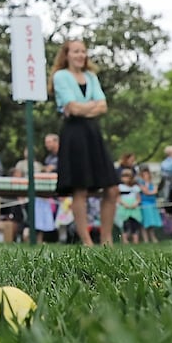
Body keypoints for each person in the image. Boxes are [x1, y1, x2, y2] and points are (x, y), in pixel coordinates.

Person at [50, 38, 117, 246]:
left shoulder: (91, 76)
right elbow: (72, 107)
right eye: (76, 51)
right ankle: (86, 240)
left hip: (93, 133)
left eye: (83, 51)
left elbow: (102, 106)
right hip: (74, 134)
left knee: (112, 188)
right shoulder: (60, 76)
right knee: (80, 188)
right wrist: (89, 106)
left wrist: (81, 107)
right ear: (67, 54)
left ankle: (106, 238)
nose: (80, 55)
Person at [137, 164, 162, 243]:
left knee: (151, 223)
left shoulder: (152, 181)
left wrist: (151, 191)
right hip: (145, 204)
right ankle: (146, 239)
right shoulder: (140, 182)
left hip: (152, 203)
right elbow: (146, 192)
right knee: (145, 222)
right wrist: (150, 191)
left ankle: (153, 238)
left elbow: (155, 190)